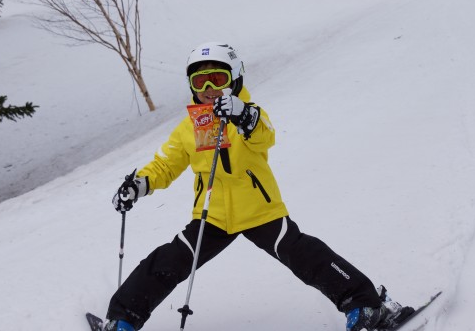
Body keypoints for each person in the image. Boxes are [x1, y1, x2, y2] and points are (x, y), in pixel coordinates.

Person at [101, 42, 413, 331]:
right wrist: (140, 185)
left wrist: (242, 115)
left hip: (259, 210)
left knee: (303, 254)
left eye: (217, 79)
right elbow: (166, 164)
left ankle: (367, 305)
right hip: (213, 216)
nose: (209, 89)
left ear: (234, 80)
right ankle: (122, 319)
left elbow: (265, 135)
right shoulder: (188, 130)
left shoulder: (250, 114)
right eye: (200, 82)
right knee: (169, 261)